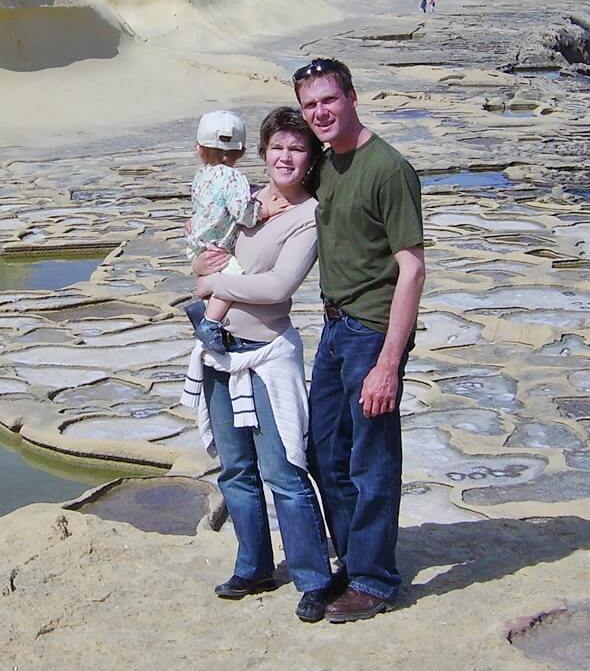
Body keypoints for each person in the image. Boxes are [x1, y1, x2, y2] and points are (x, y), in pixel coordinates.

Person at [183, 107, 342, 623]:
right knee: (235, 469)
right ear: (263, 152)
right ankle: (253, 566)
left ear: (310, 157)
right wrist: (200, 270)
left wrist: (213, 286)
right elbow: (209, 255)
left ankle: (314, 577)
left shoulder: (308, 216)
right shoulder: (244, 200)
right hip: (219, 354)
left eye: (297, 149)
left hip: (268, 356)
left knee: (284, 471)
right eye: (277, 147)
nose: (285, 157)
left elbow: (276, 289)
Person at [293, 57, 425, 623]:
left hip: (371, 331)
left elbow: (412, 269)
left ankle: (374, 578)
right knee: (326, 450)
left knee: (371, 456)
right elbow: (282, 195)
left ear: (352, 96)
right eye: (310, 105)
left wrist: (389, 364)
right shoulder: (324, 166)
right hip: (333, 326)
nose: (320, 112)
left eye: (329, 99)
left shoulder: (388, 169)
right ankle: (351, 557)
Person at [182, 109, 255, 353]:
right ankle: (210, 323)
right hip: (218, 246)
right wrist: (263, 211)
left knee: (209, 280)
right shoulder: (233, 178)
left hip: (197, 244)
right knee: (233, 279)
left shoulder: (200, 176)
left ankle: (204, 309)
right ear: (242, 151)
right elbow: (242, 212)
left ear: (199, 148)